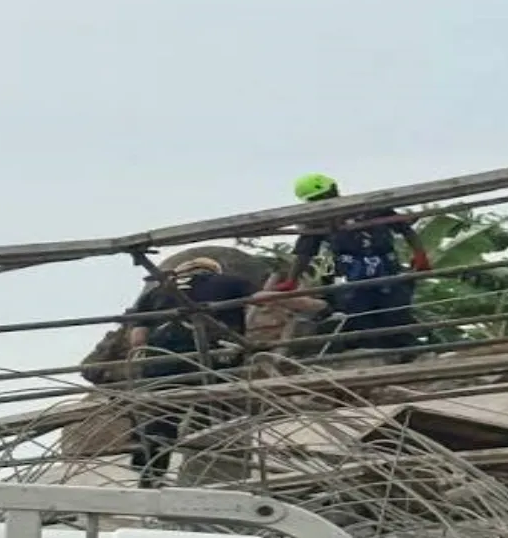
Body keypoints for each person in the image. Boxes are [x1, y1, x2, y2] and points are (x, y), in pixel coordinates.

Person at [125, 257, 258, 489]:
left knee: (163, 416)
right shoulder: (230, 282)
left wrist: (146, 364)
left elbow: (138, 339)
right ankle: (217, 478)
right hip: (213, 354)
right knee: (216, 415)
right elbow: (260, 300)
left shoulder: (156, 292)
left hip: (163, 357)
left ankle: (150, 474)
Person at [274, 173, 432, 352]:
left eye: (323, 196)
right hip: (351, 274)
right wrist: (292, 280)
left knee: (394, 312)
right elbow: (305, 252)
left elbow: (404, 228)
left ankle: (407, 351)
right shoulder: (316, 220)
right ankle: (374, 354)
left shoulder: (369, 206)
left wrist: (420, 255)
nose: (322, 201)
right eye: (316, 199)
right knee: (359, 318)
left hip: (385, 268)